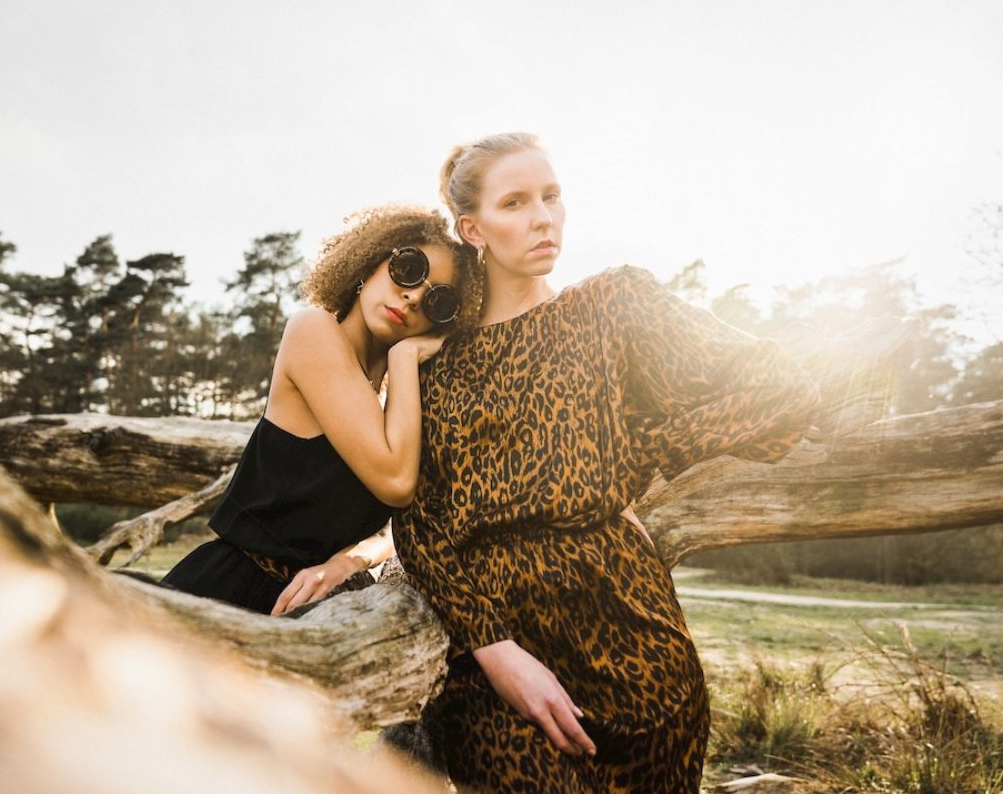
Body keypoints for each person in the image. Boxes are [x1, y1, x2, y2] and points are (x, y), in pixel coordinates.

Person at [393, 134, 820, 793]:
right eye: (515, 202)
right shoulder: (436, 364)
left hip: (637, 648)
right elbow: (419, 526)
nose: (543, 217)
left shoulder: (612, 306)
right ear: (472, 229)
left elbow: (782, 389)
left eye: (552, 196)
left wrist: (638, 456)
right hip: (499, 659)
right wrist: (495, 651)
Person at [163, 204, 482, 617]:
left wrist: (349, 560)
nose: (414, 296)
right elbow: (396, 483)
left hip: (309, 613)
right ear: (370, 261)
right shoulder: (313, 329)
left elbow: (395, 528)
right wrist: (405, 358)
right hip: (226, 594)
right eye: (408, 268)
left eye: (439, 301)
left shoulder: (395, 406)